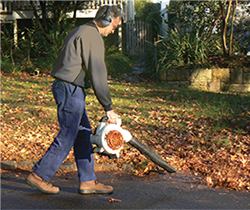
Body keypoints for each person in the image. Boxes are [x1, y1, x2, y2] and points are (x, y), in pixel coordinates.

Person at [26, 5, 121, 195]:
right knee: (68, 134)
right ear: (105, 20)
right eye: (114, 26)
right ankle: (39, 176)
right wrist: (108, 107)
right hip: (70, 88)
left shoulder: (81, 30)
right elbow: (98, 72)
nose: (113, 31)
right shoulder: (92, 36)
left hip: (71, 88)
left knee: (83, 133)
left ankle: (88, 181)